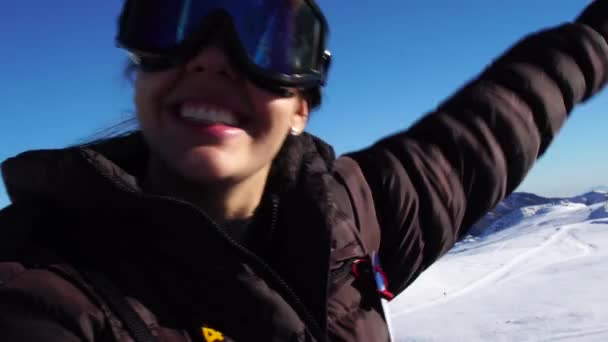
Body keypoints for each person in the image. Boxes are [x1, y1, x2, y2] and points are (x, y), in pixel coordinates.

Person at [0, 0, 607, 341]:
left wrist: (597, 40)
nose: (212, 60)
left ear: (301, 107)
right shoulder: (41, 290)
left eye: (271, 39)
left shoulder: (352, 213)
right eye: (173, 22)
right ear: (138, 78)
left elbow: (496, 123)